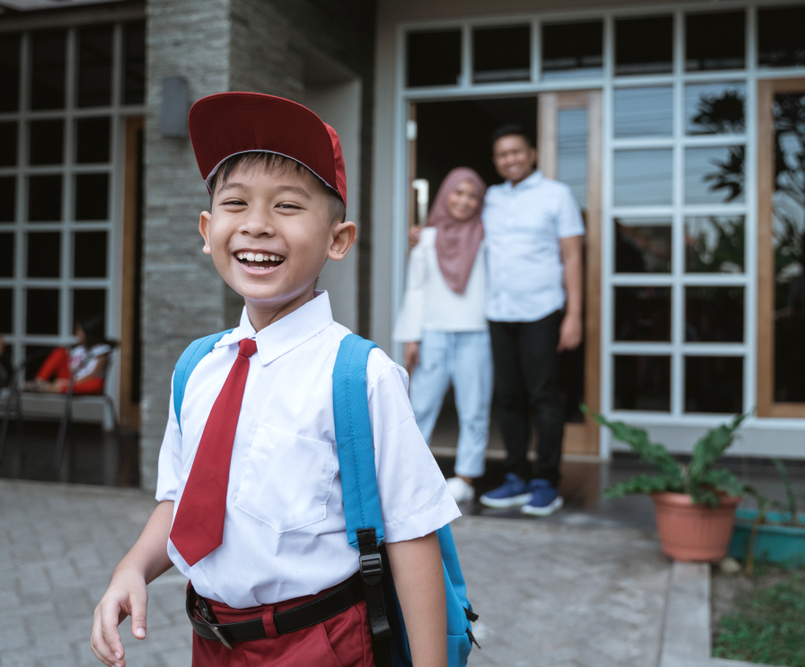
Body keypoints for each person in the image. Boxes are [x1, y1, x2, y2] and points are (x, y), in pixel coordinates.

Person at [90, 92, 459, 667]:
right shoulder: (197, 368)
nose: (257, 225)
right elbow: (180, 501)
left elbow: (412, 535)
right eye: (235, 203)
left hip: (321, 643)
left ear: (338, 239)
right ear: (208, 229)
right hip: (210, 643)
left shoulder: (360, 376)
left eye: (288, 207)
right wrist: (132, 568)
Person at [478, 124, 585, 517]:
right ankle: (516, 477)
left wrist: (574, 314)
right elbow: (458, 228)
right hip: (498, 310)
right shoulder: (489, 198)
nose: (510, 160)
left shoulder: (557, 195)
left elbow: (573, 257)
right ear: (496, 161)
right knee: (508, 398)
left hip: (542, 309)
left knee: (544, 396)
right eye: (503, 155)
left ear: (532, 153)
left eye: (516, 152)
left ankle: (547, 481)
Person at [394, 167, 491, 505]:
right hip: (432, 332)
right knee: (420, 405)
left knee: (474, 408)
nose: (464, 201)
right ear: (445, 193)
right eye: (458, 192)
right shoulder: (428, 238)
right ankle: (410, 475)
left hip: (476, 333)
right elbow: (416, 289)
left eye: (472, 195)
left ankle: (466, 477)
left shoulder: (486, 234)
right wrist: (411, 336)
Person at [27, 315, 113, 395]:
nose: (77, 334)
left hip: (83, 381)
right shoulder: (79, 348)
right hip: (69, 379)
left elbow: (95, 374)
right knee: (60, 351)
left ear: (89, 332)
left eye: (79, 330)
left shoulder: (102, 350)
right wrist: (67, 381)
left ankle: (52, 388)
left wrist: (71, 383)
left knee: (97, 384)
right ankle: (39, 382)